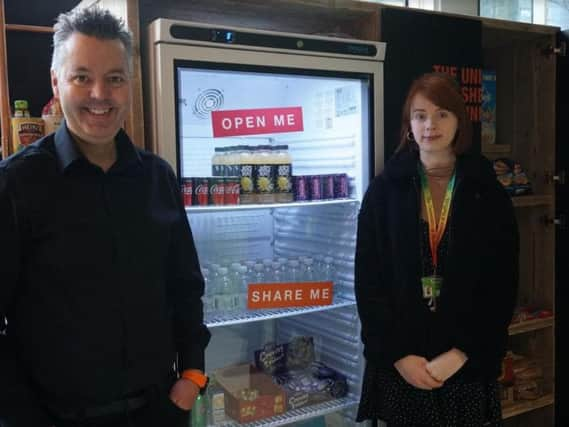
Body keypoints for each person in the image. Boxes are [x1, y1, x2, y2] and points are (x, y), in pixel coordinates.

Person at [0, 7, 210, 427]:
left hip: (161, 412)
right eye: (82, 77)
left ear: (129, 85)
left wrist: (191, 377)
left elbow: (185, 288)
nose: (100, 94)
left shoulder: (158, 178)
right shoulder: (16, 185)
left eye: (114, 78)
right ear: (56, 82)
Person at [354, 72, 519, 426]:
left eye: (443, 113)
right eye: (420, 115)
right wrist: (398, 355)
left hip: (465, 366)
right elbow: (368, 285)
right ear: (408, 124)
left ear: (460, 120)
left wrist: (463, 352)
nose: (431, 124)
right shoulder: (383, 193)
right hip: (404, 366)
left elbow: (502, 286)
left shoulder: (487, 193)